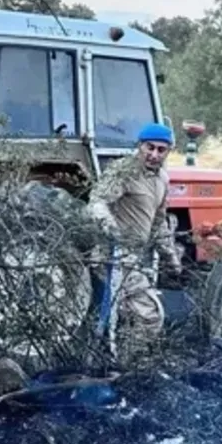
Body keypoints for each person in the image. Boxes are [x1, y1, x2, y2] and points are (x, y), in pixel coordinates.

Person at [86, 122, 185, 362]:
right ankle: (126, 365)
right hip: (112, 256)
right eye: (149, 147)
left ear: (168, 151)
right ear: (139, 145)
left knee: (118, 319)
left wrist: (170, 257)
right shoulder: (124, 171)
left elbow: (158, 223)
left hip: (133, 259)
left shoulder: (162, 179)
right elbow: (97, 201)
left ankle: (116, 361)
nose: (154, 154)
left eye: (161, 150)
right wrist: (109, 226)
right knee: (149, 315)